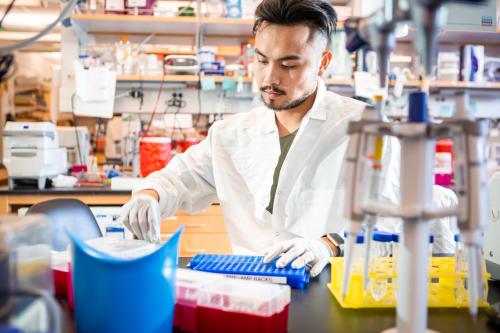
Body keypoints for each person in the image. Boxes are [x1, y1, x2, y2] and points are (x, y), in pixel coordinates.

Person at [120, 0, 456, 278]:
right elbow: (180, 178)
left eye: (289, 65)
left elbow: (397, 221)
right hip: (250, 291)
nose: (270, 78)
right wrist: (150, 195)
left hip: (333, 292)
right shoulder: (230, 134)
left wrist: (327, 245)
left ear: (323, 62)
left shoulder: (365, 127)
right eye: (262, 60)